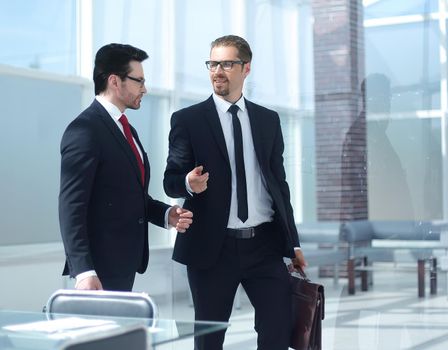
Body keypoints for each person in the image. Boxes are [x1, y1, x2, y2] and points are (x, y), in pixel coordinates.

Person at [163, 35, 307, 350]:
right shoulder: (188, 120)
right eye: (213, 63)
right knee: (209, 340)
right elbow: (170, 180)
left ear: (246, 68)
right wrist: (188, 182)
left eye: (227, 63)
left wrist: (292, 242)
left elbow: (279, 187)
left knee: (277, 333)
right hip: (213, 249)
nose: (218, 70)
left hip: (265, 245)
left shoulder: (268, 120)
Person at [59, 43, 193, 292]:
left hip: (123, 263)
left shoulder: (126, 129)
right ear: (115, 81)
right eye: (139, 81)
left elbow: (130, 195)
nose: (145, 89)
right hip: (97, 270)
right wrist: (83, 271)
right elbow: (71, 206)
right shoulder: (84, 130)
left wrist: (166, 215)